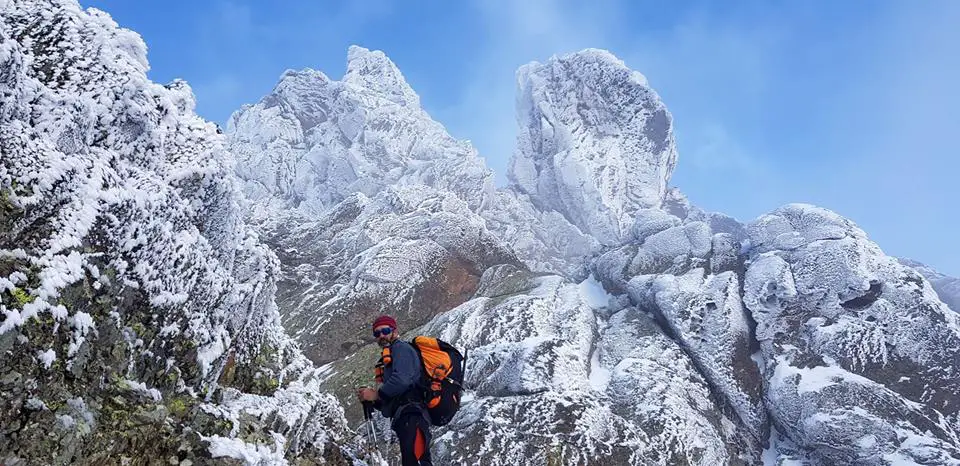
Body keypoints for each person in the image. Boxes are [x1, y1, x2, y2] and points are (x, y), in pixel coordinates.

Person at [357, 315, 432, 466]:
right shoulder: (391, 353)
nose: (381, 336)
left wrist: (377, 394)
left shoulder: (401, 349)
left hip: (412, 415)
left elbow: (402, 380)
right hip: (406, 416)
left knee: (415, 461)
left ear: (395, 331)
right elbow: (394, 394)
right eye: (377, 333)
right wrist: (375, 400)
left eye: (385, 330)